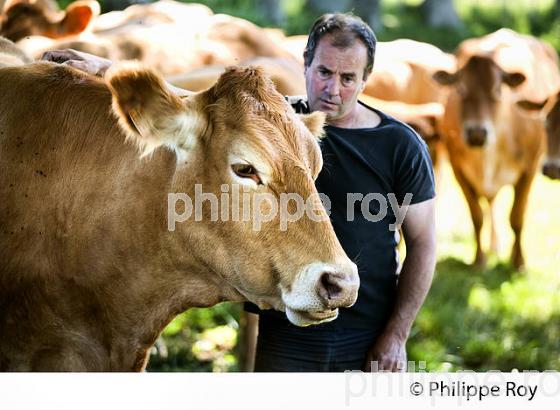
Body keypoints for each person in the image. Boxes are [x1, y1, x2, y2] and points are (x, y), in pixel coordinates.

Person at [42, 12, 436, 372]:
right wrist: (106, 69)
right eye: (324, 72)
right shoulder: (282, 122)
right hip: (287, 328)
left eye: (348, 78)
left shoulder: (399, 145)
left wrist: (396, 337)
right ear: (306, 65)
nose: (333, 89)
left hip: (365, 334)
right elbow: (202, 106)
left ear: (366, 79)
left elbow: (423, 245)